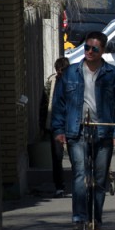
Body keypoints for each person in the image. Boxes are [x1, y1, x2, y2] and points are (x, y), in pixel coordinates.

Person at [52, 31, 115, 230]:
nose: (89, 52)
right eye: (87, 47)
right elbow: (59, 103)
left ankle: (95, 218)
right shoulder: (70, 73)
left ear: (102, 51)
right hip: (77, 131)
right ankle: (80, 218)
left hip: (103, 131)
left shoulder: (112, 75)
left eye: (95, 49)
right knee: (80, 175)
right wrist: (58, 130)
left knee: (100, 178)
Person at [40, 57, 70, 198]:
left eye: (62, 71)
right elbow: (44, 104)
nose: (60, 73)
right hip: (55, 125)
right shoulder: (51, 82)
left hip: (72, 124)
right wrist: (43, 125)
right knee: (57, 157)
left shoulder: (75, 81)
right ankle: (59, 186)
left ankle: (79, 184)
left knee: (76, 156)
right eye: (58, 71)